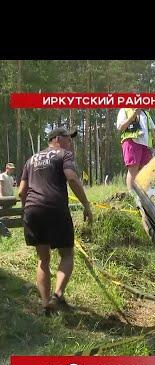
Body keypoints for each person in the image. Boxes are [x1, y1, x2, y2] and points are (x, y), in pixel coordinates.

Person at [17, 127, 93, 315]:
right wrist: (86, 205)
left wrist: (28, 211)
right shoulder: (64, 155)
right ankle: (57, 296)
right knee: (67, 255)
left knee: (43, 260)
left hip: (32, 210)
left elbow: (21, 191)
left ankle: (45, 305)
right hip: (56, 208)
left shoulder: (31, 159)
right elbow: (73, 180)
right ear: (57, 139)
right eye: (69, 138)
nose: (71, 143)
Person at [116, 107, 155, 191]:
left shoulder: (146, 113)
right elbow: (120, 127)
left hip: (146, 145)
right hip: (132, 141)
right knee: (133, 169)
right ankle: (132, 195)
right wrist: (133, 116)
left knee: (145, 170)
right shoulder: (125, 110)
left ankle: (144, 193)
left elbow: (152, 130)